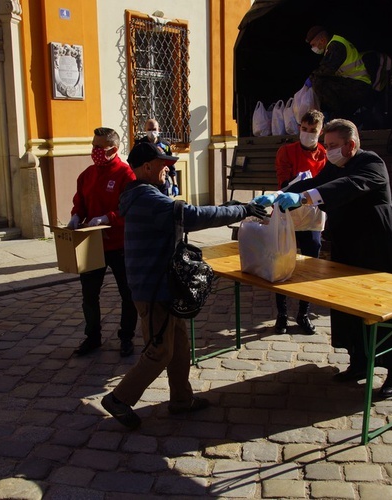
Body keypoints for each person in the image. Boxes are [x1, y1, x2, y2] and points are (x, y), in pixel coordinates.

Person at [101, 142, 267, 429]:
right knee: (160, 351)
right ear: (147, 167)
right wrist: (242, 210)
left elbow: (190, 211)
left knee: (179, 347)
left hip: (163, 286)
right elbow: (191, 216)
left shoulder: (147, 194)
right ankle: (118, 399)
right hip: (152, 291)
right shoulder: (146, 198)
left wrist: (229, 208)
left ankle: (181, 400)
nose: (169, 169)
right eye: (163, 164)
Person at [254, 119, 392, 398]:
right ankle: (359, 361)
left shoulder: (371, 163)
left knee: (386, 306)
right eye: (326, 146)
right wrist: (282, 193)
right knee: (349, 304)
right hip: (348, 244)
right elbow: (316, 182)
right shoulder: (334, 164)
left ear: (351, 145)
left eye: (334, 146)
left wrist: (304, 199)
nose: (329, 151)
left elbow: (349, 186)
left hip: (377, 247)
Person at [67, 127, 138, 358]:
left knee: (128, 294)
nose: (94, 151)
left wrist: (109, 218)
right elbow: (80, 202)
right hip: (92, 243)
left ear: (113, 149)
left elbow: (130, 210)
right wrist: (76, 215)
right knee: (89, 293)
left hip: (119, 245)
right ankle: (92, 337)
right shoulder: (87, 175)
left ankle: (126, 337)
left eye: (99, 147)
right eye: (93, 145)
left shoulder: (126, 175)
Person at [272, 109, 327, 335]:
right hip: (289, 215)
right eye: (304, 129)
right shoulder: (286, 151)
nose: (308, 134)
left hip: (313, 219)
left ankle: (303, 313)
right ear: (299, 128)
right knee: (282, 265)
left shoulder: (324, 154)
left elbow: (327, 185)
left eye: (313, 131)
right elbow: (284, 181)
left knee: (310, 267)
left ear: (320, 131)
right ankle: (282, 314)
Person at [304, 26, 373, 120]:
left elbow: (326, 69)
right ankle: (341, 114)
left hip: (360, 86)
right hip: (355, 84)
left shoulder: (336, 45)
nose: (313, 48)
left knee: (319, 82)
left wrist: (311, 78)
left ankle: (341, 114)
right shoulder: (334, 44)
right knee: (319, 80)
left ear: (323, 40)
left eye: (313, 45)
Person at [136, 118, 179, 197]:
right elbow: (134, 163)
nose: (152, 132)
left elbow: (171, 165)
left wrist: (175, 184)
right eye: (149, 129)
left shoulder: (165, 144)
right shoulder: (140, 144)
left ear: (159, 129)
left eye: (154, 129)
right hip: (147, 182)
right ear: (145, 130)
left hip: (162, 181)